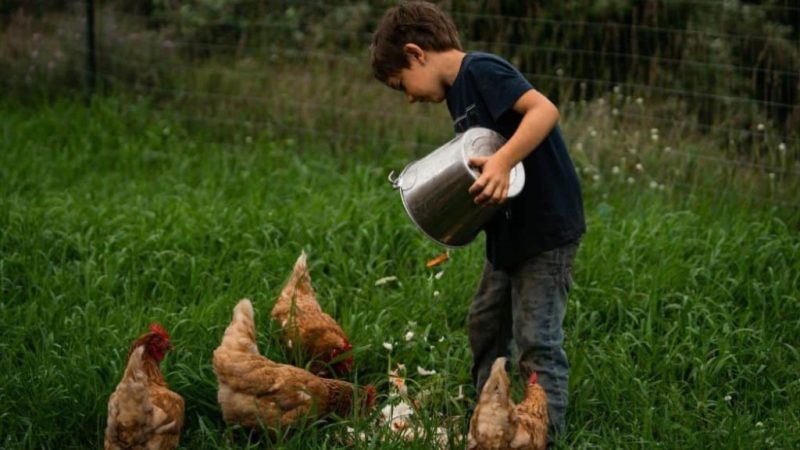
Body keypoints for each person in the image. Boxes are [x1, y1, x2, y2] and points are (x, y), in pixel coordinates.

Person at [370, 1, 586, 441]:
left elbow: (544, 110)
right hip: (507, 233)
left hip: (545, 230)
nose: (409, 97)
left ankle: (546, 436)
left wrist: (504, 161)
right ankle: (488, 424)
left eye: (401, 84)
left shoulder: (482, 70)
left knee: (536, 338)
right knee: (486, 323)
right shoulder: (457, 93)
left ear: (416, 53)